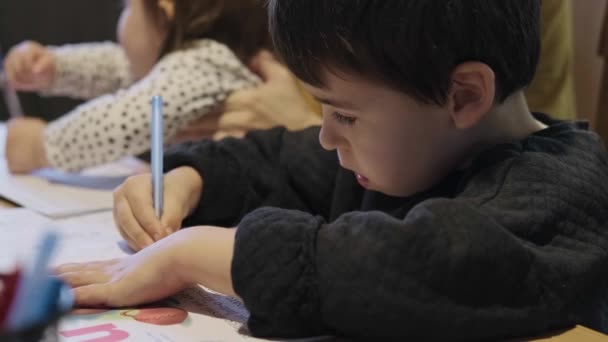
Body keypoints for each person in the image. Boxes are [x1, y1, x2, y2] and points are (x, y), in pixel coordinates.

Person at [56, 0, 608, 340]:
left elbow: (415, 264)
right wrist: (190, 179)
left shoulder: (563, 191)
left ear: (463, 94)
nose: (326, 134)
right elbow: (282, 160)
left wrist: (193, 252)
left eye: (344, 113)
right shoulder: (414, 145)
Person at [3, 0, 270, 173]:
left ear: (164, 14)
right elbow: (121, 66)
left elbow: (126, 119)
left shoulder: (205, 62)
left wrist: (43, 145)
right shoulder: (200, 59)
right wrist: (55, 67)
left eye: (127, 9)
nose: (122, 20)